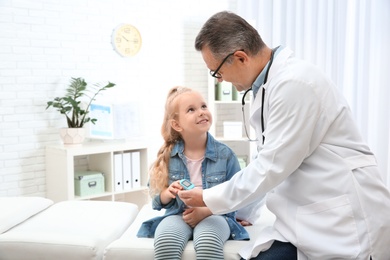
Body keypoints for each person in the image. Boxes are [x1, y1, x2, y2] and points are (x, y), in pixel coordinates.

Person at [178, 11, 390, 260]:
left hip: (343, 221)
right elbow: (268, 163)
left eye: (217, 72)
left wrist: (207, 198)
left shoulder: (295, 84)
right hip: (304, 221)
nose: (219, 81)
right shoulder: (267, 87)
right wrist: (239, 211)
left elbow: (271, 167)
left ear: (240, 58)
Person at [137, 86, 249, 260]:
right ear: (176, 124)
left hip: (214, 215)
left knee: (208, 241)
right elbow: (157, 200)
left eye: (203, 106)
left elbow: (236, 193)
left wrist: (205, 211)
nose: (201, 112)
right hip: (178, 215)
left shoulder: (225, 155)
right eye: (191, 109)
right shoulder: (168, 155)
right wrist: (168, 192)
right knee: (165, 241)